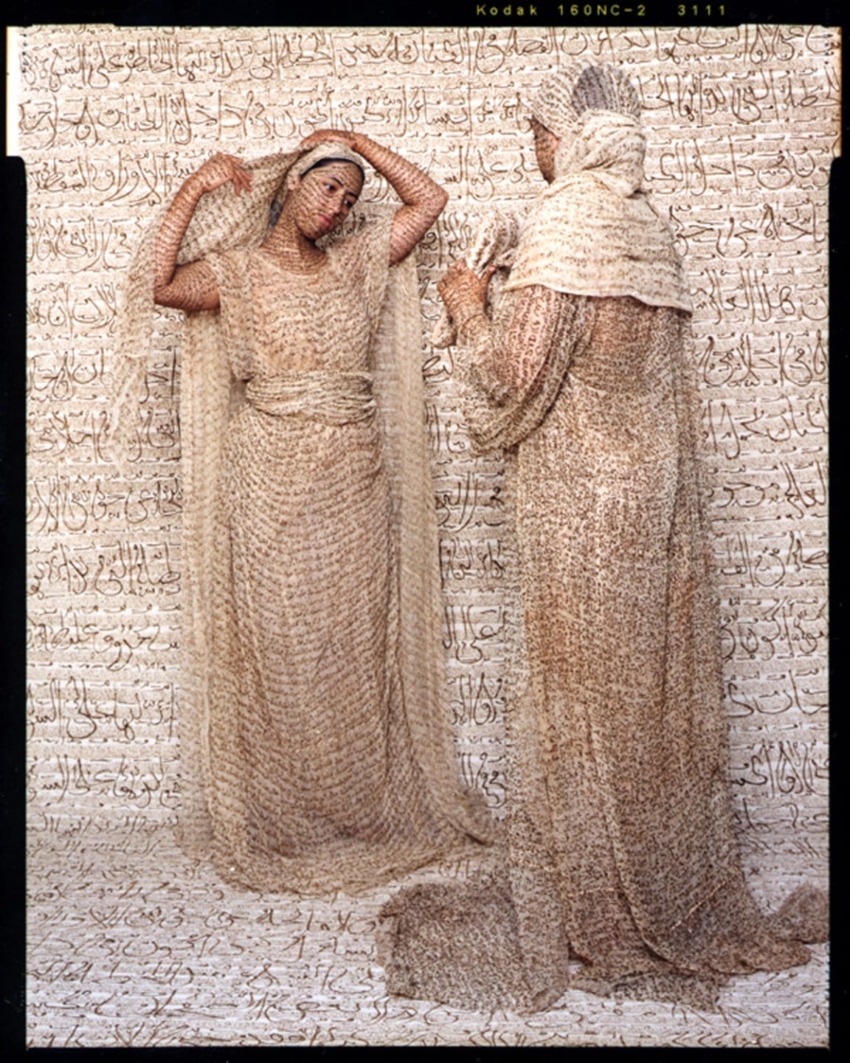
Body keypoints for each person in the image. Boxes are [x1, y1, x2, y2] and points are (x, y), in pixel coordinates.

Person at [377, 64, 826, 1011]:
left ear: (567, 137)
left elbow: (509, 373)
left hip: (577, 509)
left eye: (536, 133)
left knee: (582, 705)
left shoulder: (567, 223)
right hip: (651, 506)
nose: (531, 151)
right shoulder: (647, 228)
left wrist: (466, 298)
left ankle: (598, 910)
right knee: (643, 706)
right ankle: (664, 887)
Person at [115, 132, 493, 895]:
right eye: (327, 190)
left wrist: (356, 145)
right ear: (290, 188)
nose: (338, 208)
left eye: (350, 200)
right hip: (269, 474)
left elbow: (430, 201)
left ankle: (360, 810)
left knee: (352, 639)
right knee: (279, 641)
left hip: (353, 472)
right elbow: (158, 284)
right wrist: (193, 186)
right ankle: (287, 816)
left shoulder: (358, 263)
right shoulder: (240, 273)